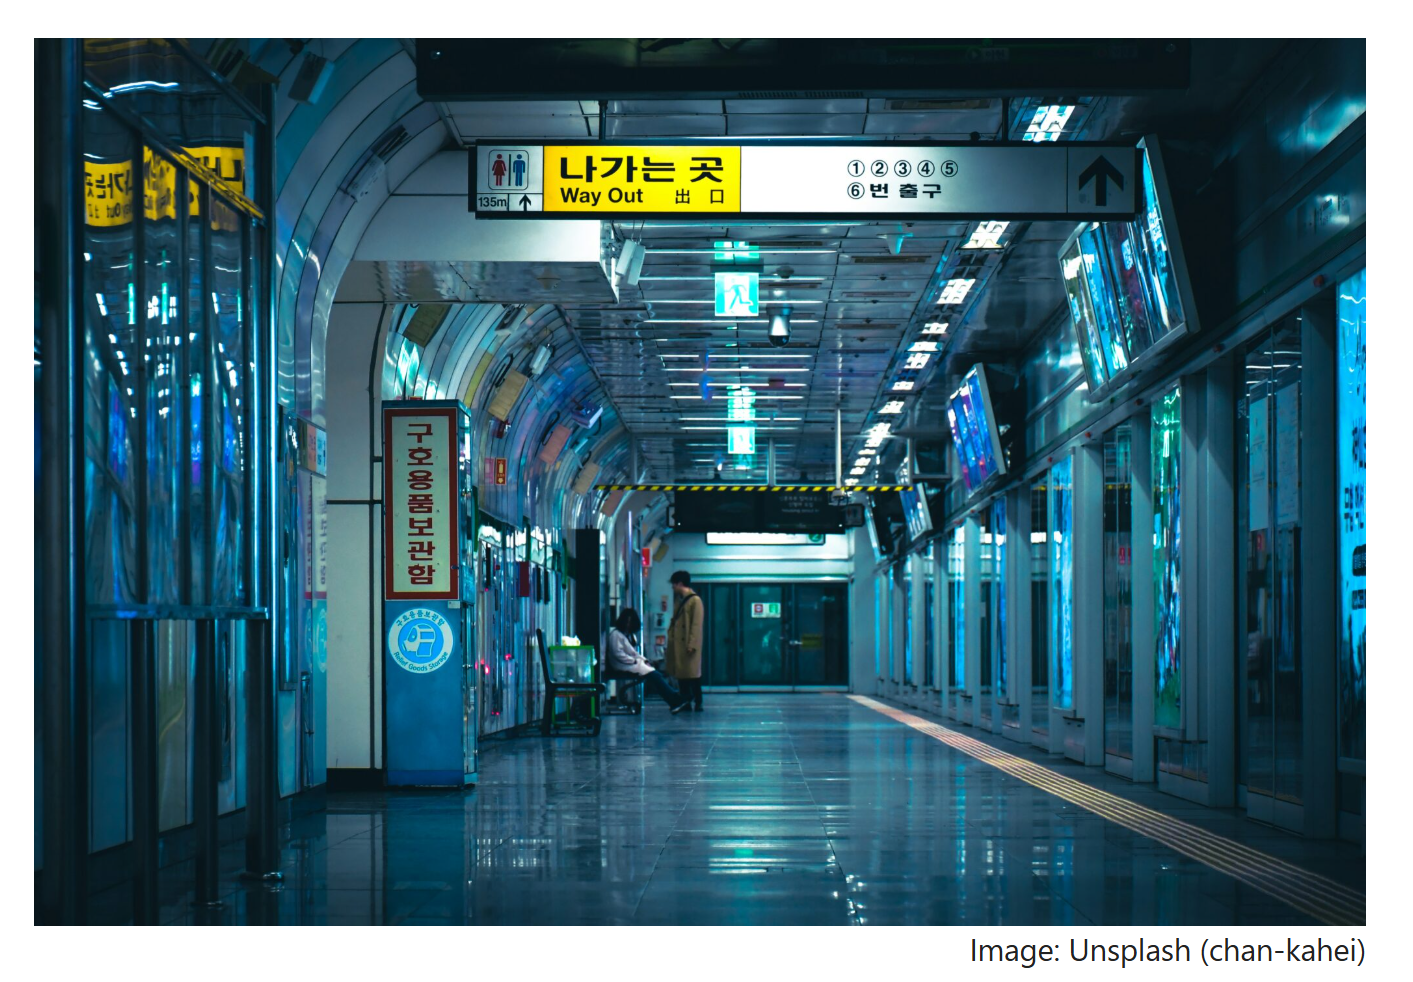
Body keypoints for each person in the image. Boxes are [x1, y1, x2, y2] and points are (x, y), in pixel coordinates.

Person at [607, 609, 692, 714]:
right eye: (627, 622)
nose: (628, 625)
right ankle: (675, 699)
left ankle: (674, 699)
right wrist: (634, 661)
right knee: (655, 676)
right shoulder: (616, 635)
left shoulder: (623, 635)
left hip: (629, 664)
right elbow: (618, 654)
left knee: (656, 675)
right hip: (623, 665)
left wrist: (644, 660)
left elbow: (633, 653)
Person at [666, 571, 705, 712]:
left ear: (680, 583)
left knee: (693, 675)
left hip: (688, 645)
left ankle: (698, 701)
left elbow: (696, 624)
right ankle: (685, 701)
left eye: (674, 584)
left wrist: (692, 644)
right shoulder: (679, 600)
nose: (673, 587)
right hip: (678, 645)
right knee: (682, 675)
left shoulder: (695, 601)